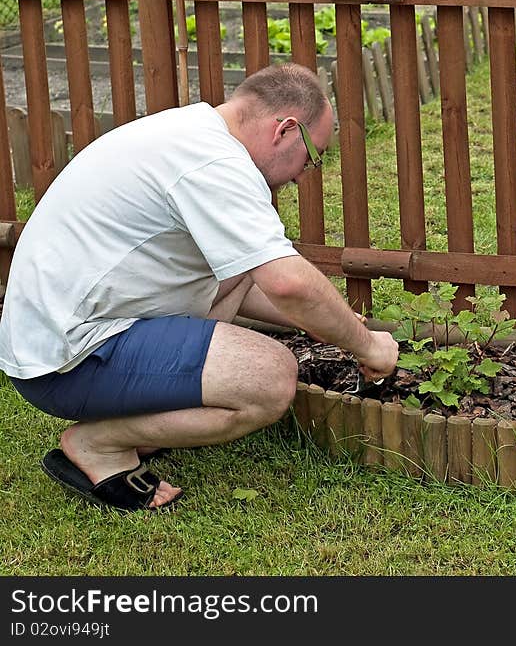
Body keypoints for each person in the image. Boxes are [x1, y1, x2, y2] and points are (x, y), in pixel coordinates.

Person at [0, 62, 398, 511]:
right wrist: (368, 346)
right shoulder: (213, 164)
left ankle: (131, 420)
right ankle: (97, 443)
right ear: (285, 130)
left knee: (243, 269)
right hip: (64, 360)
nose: (305, 174)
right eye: (312, 155)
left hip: (65, 330)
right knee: (269, 379)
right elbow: (287, 283)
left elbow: (242, 281)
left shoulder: (192, 131)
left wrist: (334, 323)